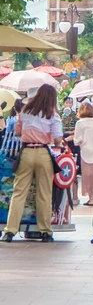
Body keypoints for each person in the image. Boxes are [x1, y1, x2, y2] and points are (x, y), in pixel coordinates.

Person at [2, 84, 62, 242]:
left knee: (19, 192)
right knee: (44, 193)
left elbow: (17, 132)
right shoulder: (52, 114)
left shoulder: (25, 111)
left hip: (26, 152)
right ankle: (45, 231)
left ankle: (10, 231)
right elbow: (58, 140)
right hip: (43, 153)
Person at [74, 103, 93, 207]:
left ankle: (90, 199)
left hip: (86, 151)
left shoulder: (80, 123)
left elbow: (77, 140)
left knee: (87, 175)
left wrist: (75, 141)